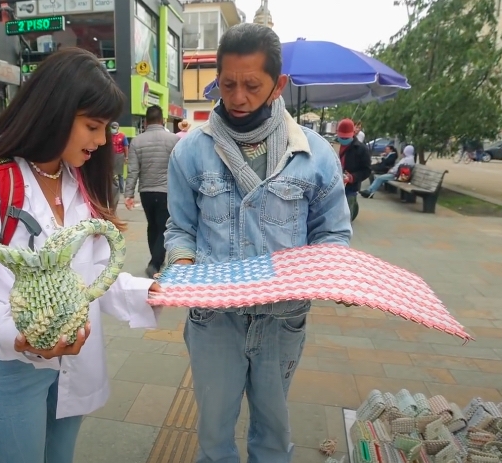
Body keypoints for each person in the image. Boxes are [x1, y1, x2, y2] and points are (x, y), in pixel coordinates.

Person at [0, 48, 161, 463]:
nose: (101, 141)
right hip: (5, 367)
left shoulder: (79, 182)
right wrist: (21, 334)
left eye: (105, 127)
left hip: (75, 359)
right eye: (92, 126)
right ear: (54, 112)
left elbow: (88, 277)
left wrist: (150, 291)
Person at [163, 23, 352, 463]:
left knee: (273, 435)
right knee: (213, 436)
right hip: (214, 319)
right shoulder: (190, 151)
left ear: (278, 84)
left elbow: (332, 232)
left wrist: (336, 272)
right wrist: (183, 266)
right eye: (228, 84)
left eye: (252, 85)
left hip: (282, 319)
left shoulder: (313, 154)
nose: (238, 97)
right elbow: (180, 228)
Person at [124, 105, 179, 277]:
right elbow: (180, 167)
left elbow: (133, 170)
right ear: (162, 120)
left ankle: (156, 260)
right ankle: (155, 263)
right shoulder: (174, 140)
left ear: (146, 122)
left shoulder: (137, 141)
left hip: (146, 191)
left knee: (152, 226)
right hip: (167, 191)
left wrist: (128, 194)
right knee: (164, 226)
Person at [335, 118, 371, 212]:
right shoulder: (332, 145)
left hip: (350, 188)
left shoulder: (361, 149)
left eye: (346, 138)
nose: (343, 140)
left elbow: (366, 170)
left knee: (347, 213)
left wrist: (352, 177)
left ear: (353, 133)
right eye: (342, 137)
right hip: (333, 186)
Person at [110, 121, 129, 193]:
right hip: (111, 156)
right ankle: (114, 188)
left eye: (115, 128)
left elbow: (126, 147)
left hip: (120, 155)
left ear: (118, 128)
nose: (113, 129)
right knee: (111, 173)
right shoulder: (109, 136)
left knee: (120, 173)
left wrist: (126, 157)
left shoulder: (122, 136)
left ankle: (121, 189)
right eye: (112, 128)